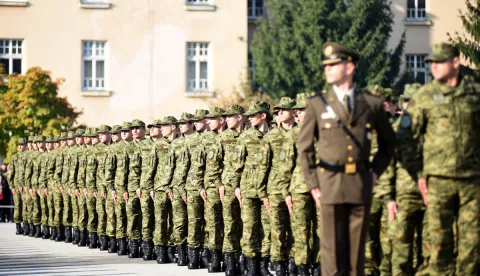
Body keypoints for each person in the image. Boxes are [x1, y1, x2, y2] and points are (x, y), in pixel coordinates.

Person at [298, 42, 395, 275]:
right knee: (331, 253)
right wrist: (313, 185)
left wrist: (374, 173)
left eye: (333, 65)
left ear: (349, 67)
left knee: (356, 254)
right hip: (329, 183)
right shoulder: (316, 104)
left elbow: (388, 142)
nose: (327, 69)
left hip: (360, 182)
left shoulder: (370, 103)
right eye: (326, 65)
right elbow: (305, 148)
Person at [406, 42, 480, 275]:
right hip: (438, 180)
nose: (433, 67)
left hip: (472, 181)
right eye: (431, 63)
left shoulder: (474, 94)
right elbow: (406, 139)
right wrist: (418, 174)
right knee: (439, 243)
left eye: (439, 62)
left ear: (455, 63)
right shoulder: (424, 97)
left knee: (472, 241)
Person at [390, 83, 429, 275]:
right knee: (402, 248)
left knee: (429, 247)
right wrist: (390, 197)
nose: (410, 104)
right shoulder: (395, 130)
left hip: (431, 194)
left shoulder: (434, 128)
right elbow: (388, 166)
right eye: (407, 101)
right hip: (403, 194)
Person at [284, 93, 320, 276]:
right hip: (299, 189)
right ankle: (302, 268)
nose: (298, 113)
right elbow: (286, 165)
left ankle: (320, 265)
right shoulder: (294, 134)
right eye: (297, 110)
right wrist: (286, 193)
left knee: (322, 231)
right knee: (301, 230)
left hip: (323, 188)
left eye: (302, 109)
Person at [236, 101, 273, 276]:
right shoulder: (245, 137)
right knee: (250, 227)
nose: (249, 119)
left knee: (267, 227)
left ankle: (264, 264)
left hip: (269, 189)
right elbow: (236, 164)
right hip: (248, 188)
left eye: (253, 115)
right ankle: (252, 265)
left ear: (263, 115)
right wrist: (235, 186)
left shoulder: (275, 135)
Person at [264, 97, 297, 276]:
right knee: (277, 228)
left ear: (293, 112)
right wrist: (262, 192)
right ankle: (278, 264)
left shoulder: (300, 134)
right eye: (278, 110)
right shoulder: (271, 136)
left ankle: (293, 261)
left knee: (295, 227)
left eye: (284, 109)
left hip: (296, 188)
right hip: (275, 188)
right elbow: (263, 165)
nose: (280, 112)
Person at [220, 104, 246, 276]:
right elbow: (214, 163)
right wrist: (218, 185)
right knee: (229, 224)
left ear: (240, 118)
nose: (227, 119)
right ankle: (231, 261)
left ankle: (246, 260)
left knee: (248, 225)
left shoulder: (250, 136)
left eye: (231, 116)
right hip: (228, 186)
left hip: (247, 186)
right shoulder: (222, 137)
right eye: (226, 116)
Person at [202, 107, 227, 273]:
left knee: (233, 224)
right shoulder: (206, 139)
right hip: (212, 186)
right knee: (213, 223)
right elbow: (202, 165)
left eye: (213, 119)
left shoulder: (234, 138)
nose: (208, 122)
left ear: (222, 120)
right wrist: (201, 186)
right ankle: (214, 258)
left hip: (231, 186)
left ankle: (232, 259)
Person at [7, 138, 27, 234]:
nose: (20, 146)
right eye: (19, 144)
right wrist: (11, 186)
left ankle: (26, 226)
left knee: (26, 207)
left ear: (26, 145)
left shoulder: (28, 156)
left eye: (22, 144)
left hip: (25, 186)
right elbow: (10, 173)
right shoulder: (14, 157)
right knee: (17, 206)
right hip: (16, 186)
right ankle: (18, 227)